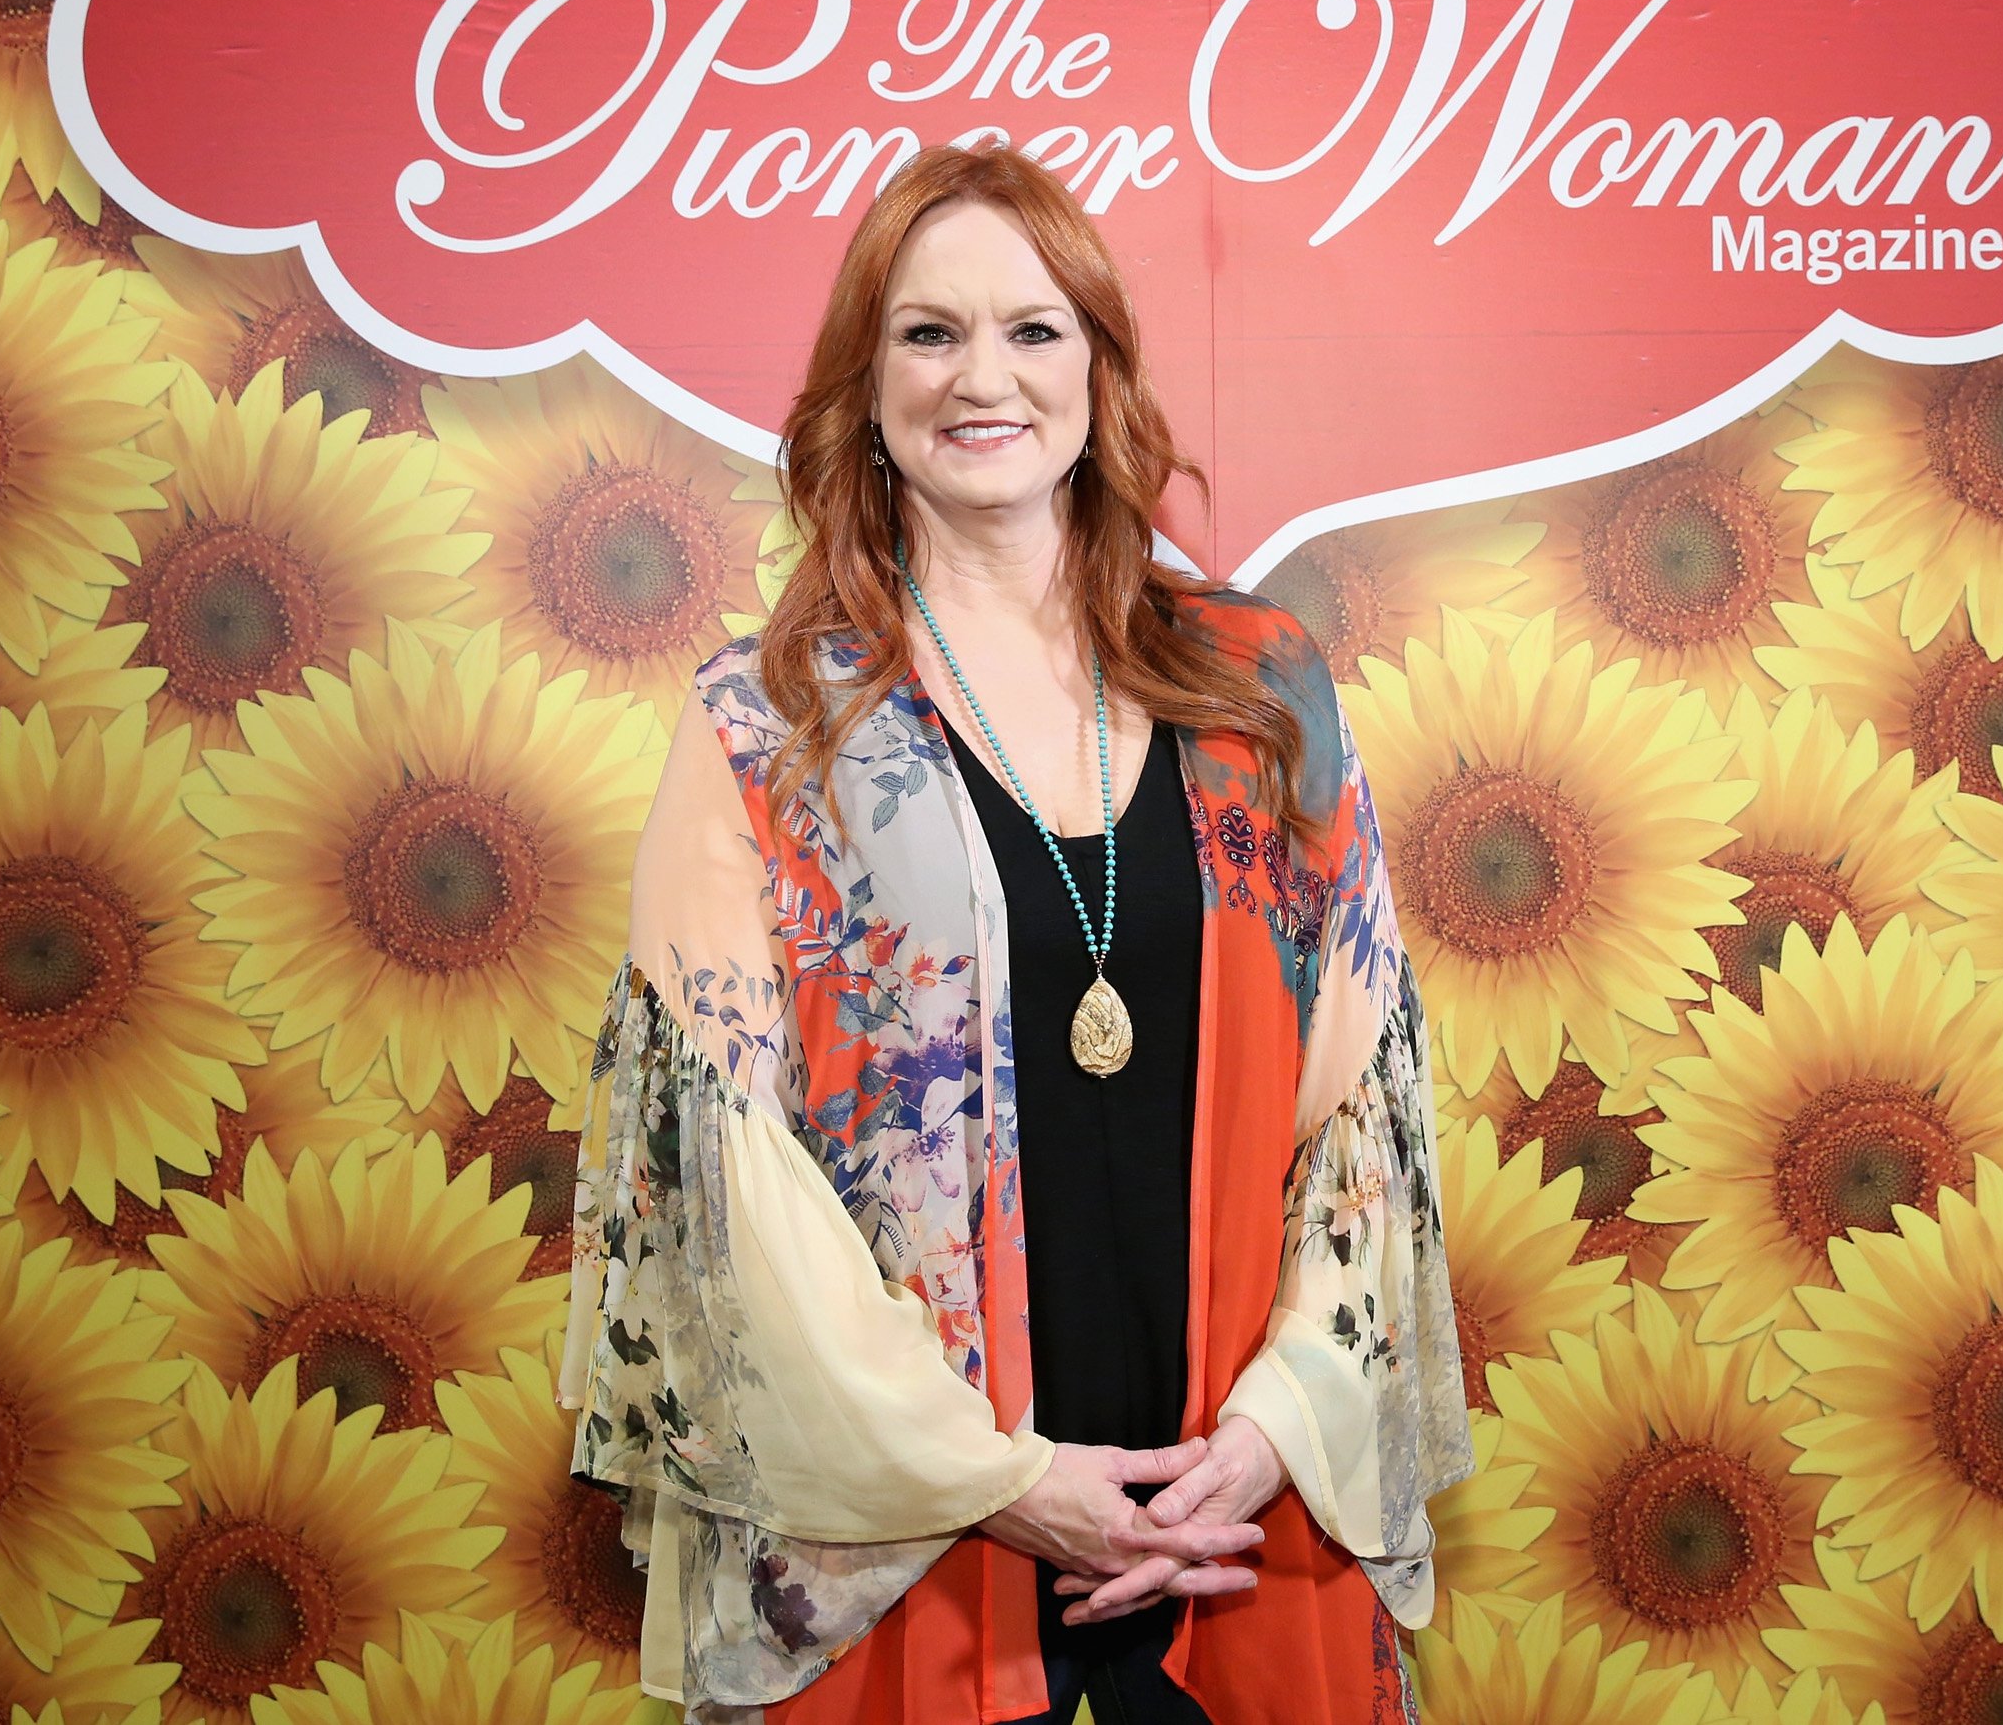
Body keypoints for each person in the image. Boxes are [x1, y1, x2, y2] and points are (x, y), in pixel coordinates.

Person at [562, 143, 1470, 1724]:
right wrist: (997, 1481)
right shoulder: (769, 731)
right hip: (932, 1557)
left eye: (1035, 330)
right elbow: (721, 1191)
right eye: (929, 334)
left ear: (1101, 372)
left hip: (1238, 1531)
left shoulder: (1265, 692)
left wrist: (1271, 1437)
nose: (984, 376)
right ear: (865, 385)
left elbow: (1364, 1122)